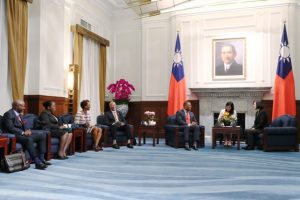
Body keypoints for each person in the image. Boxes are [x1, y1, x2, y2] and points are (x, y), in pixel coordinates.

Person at [2, 100, 50, 170]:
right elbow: (10, 128)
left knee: (42, 135)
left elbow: (24, 125)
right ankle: (37, 162)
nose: (24, 108)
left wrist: (28, 130)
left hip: (23, 135)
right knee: (29, 139)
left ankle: (42, 159)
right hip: (14, 135)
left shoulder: (20, 115)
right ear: (16, 106)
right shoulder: (8, 114)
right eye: (22, 106)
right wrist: (23, 133)